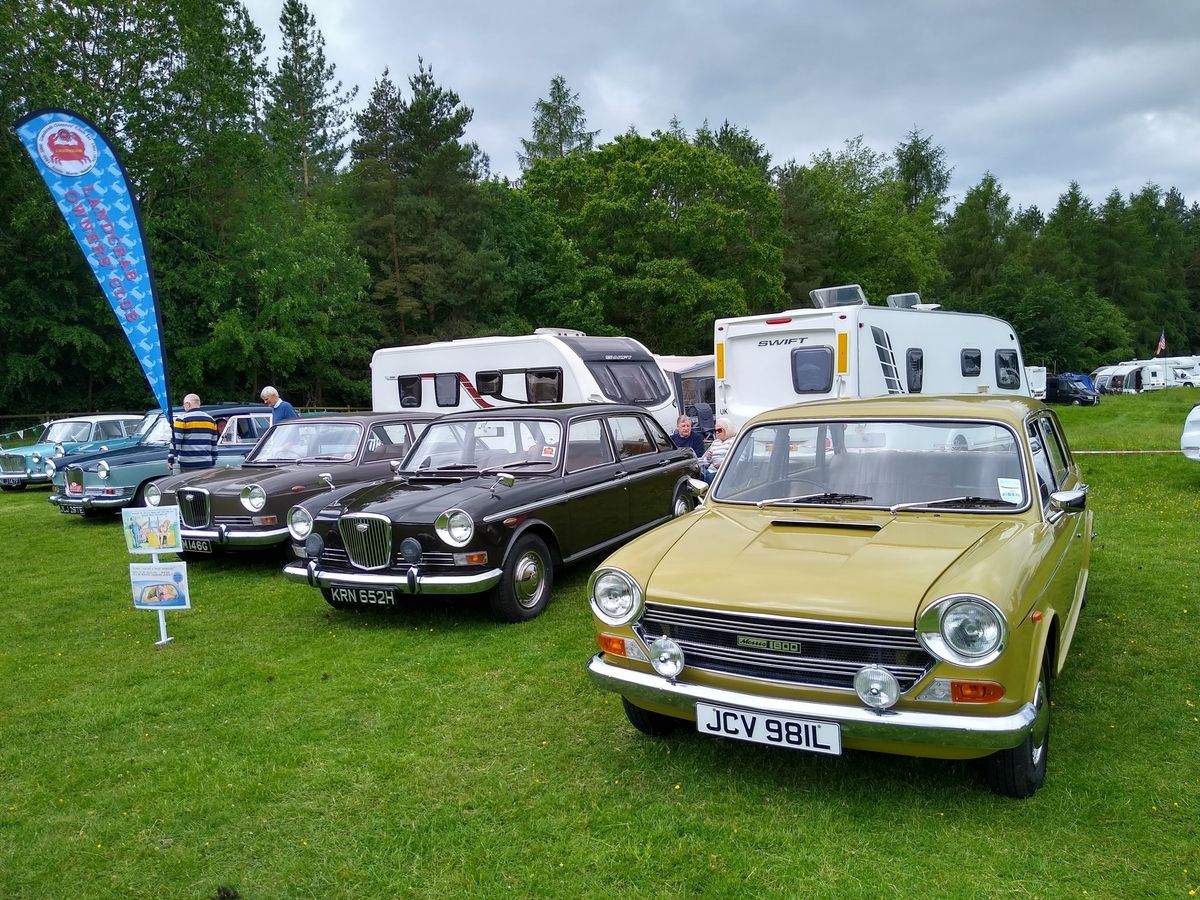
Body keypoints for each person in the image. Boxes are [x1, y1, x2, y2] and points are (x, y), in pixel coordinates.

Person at [170, 393, 218, 470]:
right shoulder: (211, 420)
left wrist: (171, 459)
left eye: (183, 405)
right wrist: (213, 460)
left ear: (187, 404)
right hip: (206, 463)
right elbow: (214, 444)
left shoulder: (182, 419)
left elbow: (176, 442)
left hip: (187, 464)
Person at [702, 417, 738, 484]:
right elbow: (705, 463)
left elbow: (739, 459)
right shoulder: (715, 442)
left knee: (709, 478)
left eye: (719, 430)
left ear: (727, 429)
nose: (717, 433)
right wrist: (708, 458)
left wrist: (723, 464)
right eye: (715, 431)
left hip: (725, 472)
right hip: (710, 470)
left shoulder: (734, 441)